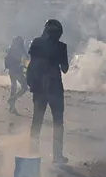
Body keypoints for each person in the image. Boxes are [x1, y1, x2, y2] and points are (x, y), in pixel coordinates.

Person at [26, 19, 69, 163]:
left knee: (37, 121)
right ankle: (57, 156)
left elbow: (32, 64)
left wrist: (31, 81)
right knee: (58, 123)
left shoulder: (36, 43)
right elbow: (65, 69)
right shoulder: (61, 47)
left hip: (39, 88)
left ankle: (33, 152)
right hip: (55, 88)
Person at [4, 36, 28, 114]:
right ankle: (12, 99)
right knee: (24, 87)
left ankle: (12, 107)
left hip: (12, 71)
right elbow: (26, 57)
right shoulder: (20, 49)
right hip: (17, 70)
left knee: (13, 87)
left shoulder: (11, 48)